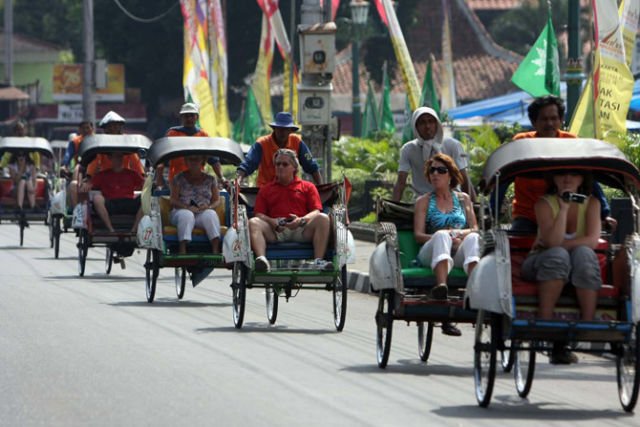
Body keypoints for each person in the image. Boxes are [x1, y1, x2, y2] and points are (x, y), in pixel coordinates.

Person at [500, 95, 615, 233]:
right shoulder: (522, 143)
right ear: (533, 122)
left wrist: (605, 213)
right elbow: (503, 179)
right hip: (528, 216)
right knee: (516, 245)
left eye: (554, 118)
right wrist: (491, 210)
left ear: (561, 120)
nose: (549, 124)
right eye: (544, 119)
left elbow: (590, 179)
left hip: (565, 212)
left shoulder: (571, 141)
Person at [521, 169, 602, 364]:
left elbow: (591, 241)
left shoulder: (592, 203)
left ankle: (587, 324)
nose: (567, 178)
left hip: (576, 263)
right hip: (540, 262)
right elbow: (553, 243)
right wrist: (564, 209)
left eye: (574, 174)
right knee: (558, 255)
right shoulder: (544, 203)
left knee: (584, 254)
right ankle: (545, 320)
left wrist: (563, 247)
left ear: (582, 177)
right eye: (561, 174)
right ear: (553, 178)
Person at [413, 153, 480, 336]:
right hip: (430, 251)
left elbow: (474, 228)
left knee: (473, 239)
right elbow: (418, 235)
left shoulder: (463, 199)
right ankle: (441, 286)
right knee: (442, 235)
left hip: (457, 249)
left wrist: (457, 234)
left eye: (441, 170)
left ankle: (474, 289)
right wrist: (444, 236)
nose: (435, 174)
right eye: (432, 170)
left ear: (450, 175)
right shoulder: (424, 201)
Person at [249, 148, 332, 272]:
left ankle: (318, 261)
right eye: (277, 164)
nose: (280, 167)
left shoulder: (308, 187)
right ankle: (262, 260)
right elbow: (259, 214)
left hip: (302, 230)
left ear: (294, 168)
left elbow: (316, 211)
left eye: (285, 164)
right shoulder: (266, 189)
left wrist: (301, 220)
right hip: (276, 230)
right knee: (253, 222)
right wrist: (272, 221)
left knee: (323, 218)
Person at [392, 107, 474, 201]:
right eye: (422, 122)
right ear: (416, 127)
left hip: (451, 201)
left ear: (437, 124)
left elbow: (464, 179)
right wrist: (392, 210)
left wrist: (472, 208)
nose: (427, 126)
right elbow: (401, 182)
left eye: (431, 121)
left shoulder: (453, 145)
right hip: (422, 202)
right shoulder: (408, 149)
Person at [237, 112, 323, 187]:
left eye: (286, 129)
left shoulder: (297, 142)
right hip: (266, 190)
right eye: (280, 129)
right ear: (274, 128)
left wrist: (320, 186)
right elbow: (248, 163)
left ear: (291, 130)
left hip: (290, 190)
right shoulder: (262, 143)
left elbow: (311, 165)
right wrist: (238, 181)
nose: (283, 132)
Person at [156, 102, 227, 187]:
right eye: (186, 116)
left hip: (197, 182)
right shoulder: (173, 134)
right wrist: (159, 179)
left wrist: (222, 178)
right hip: (176, 182)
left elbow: (214, 160)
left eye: (192, 116)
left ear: (197, 117)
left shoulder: (203, 135)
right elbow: (162, 159)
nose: (189, 119)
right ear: (181, 117)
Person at [169, 154, 221, 254]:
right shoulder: (178, 178)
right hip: (180, 211)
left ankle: (216, 250)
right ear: (186, 161)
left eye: (196, 159)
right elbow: (173, 200)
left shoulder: (211, 179)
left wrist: (208, 207)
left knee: (211, 214)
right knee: (186, 215)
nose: (193, 162)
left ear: (202, 161)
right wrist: (187, 207)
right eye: (190, 159)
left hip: (202, 212)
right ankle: (182, 249)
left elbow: (217, 200)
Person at [88, 152, 145, 233]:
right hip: (111, 204)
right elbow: (90, 184)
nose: (120, 159)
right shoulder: (102, 175)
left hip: (128, 203)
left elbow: (144, 184)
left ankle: (134, 229)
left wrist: (150, 183)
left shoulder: (132, 174)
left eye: (121, 157)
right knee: (97, 198)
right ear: (110, 158)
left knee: (146, 198)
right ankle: (111, 230)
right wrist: (85, 184)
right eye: (117, 156)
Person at [62, 121, 95, 208]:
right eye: (83, 128)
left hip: (96, 168)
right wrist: (64, 165)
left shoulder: (97, 140)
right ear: (79, 130)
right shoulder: (75, 142)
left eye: (88, 128)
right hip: (81, 168)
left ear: (92, 129)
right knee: (74, 179)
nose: (86, 130)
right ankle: (76, 209)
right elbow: (68, 155)